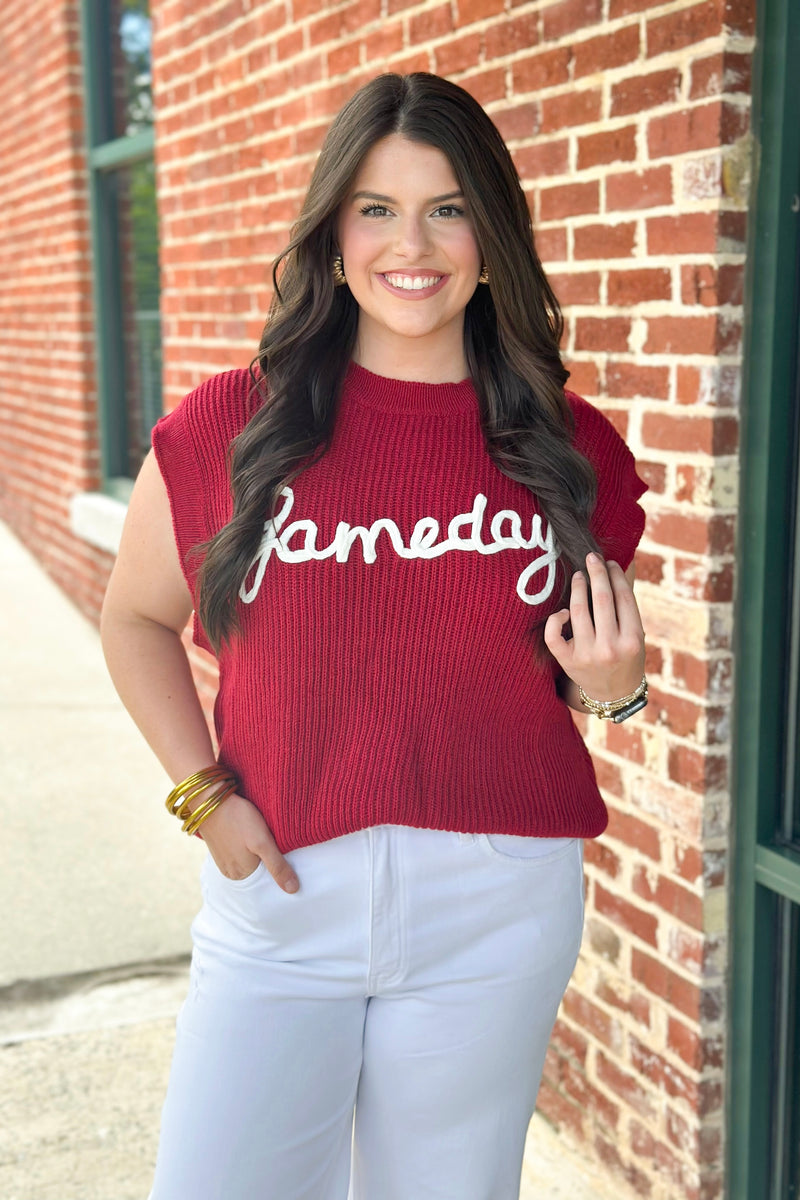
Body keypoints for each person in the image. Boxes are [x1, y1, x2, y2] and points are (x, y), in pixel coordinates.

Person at [100, 71, 647, 1200]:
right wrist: (205, 798)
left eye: (448, 207)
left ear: (490, 232)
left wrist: (618, 689)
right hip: (283, 884)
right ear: (332, 232)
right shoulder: (227, 426)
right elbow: (136, 616)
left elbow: (570, 683)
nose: (415, 243)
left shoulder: (568, 443)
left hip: (497, 900)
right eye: (377, 206)